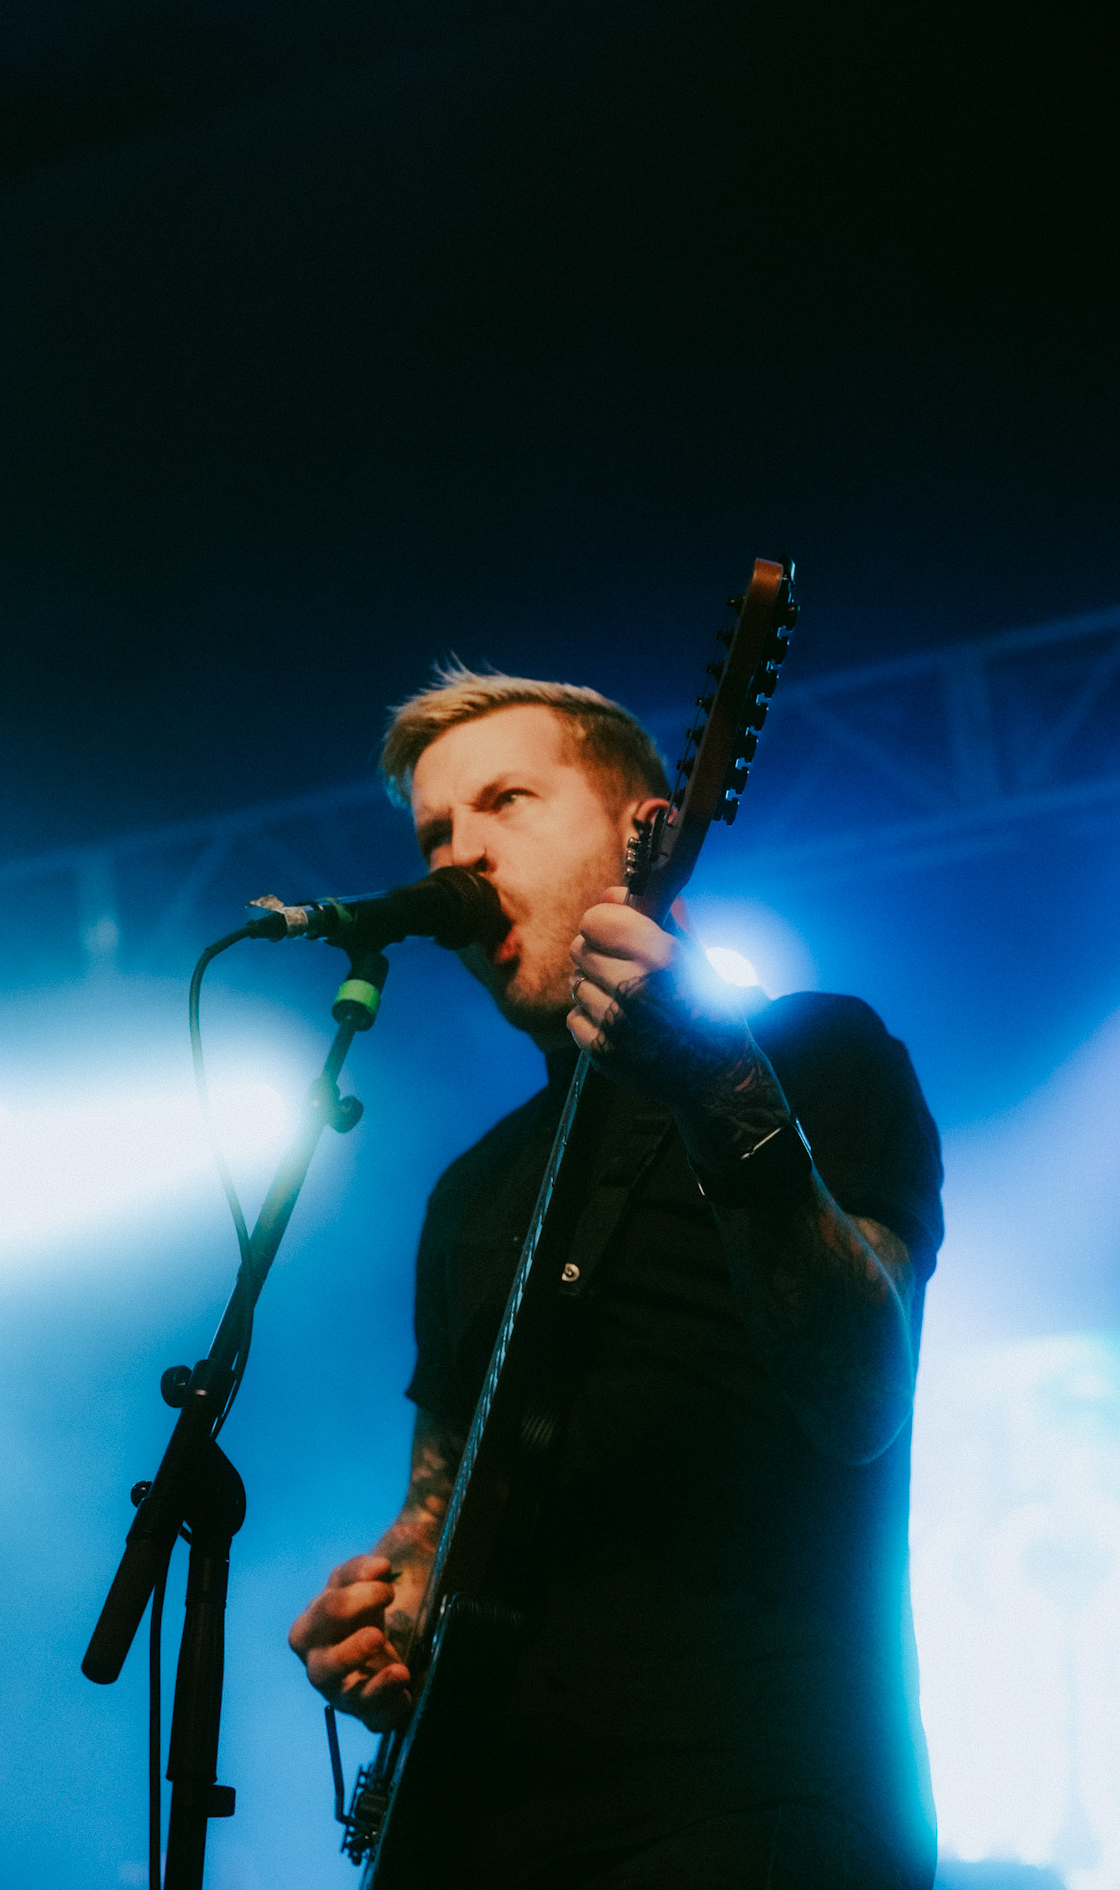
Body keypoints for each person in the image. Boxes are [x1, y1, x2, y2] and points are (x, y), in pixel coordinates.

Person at [289, 668, 944, 1888]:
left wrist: (719, 1087)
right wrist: (384, 1611)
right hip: (480, 1832)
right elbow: (438, 1499)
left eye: (506, 801)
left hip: (744, 1808)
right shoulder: (469, 1190)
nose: (460, 853)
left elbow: (863, 1393)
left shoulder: (815, 1049)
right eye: (434, 833)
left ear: (646, 825)